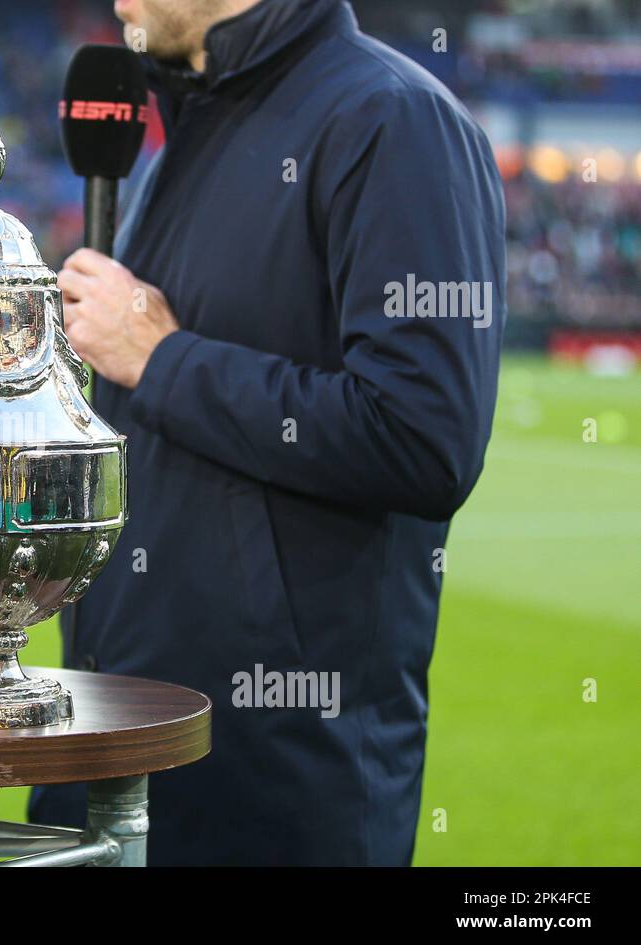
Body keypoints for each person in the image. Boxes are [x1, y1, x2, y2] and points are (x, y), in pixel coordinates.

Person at [30, 0, 506, 865]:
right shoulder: (193, 127)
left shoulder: (394, 120)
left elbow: (424, 436)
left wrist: (165, 359)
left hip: (273, 784)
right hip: (111, 736)